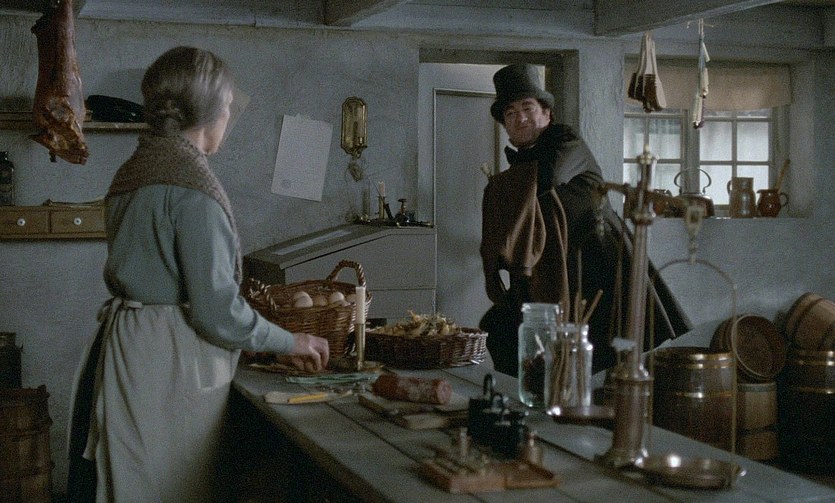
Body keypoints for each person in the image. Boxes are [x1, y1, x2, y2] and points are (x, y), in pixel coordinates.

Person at [66, 46, 330, 502]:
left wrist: (260, 342)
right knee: (171, 488)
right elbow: (215, 310)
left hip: (129, 344)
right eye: (227, 106)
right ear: (210, 112)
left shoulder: (133, 173)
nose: (229, 116)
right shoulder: (192, 190)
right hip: (169, 360)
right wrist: (291, 342)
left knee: (133, 483)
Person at [479, 64, 689, 377]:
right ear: (505, 126)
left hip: (598, 261)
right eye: (510, 113)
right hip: (555, 266)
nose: (520, 118)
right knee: (502, 330)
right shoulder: (521, 165)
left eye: (527, 108)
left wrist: (498, 186)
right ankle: (529, 400)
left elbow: (547, 178)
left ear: (546, 113)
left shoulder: (565, 140)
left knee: (597, 351)